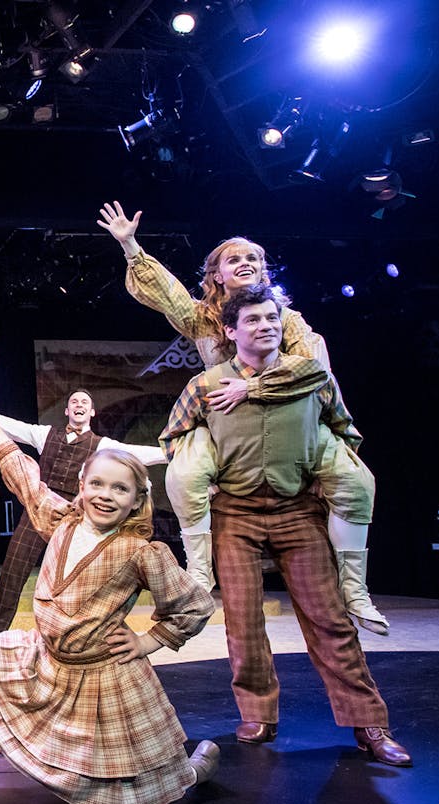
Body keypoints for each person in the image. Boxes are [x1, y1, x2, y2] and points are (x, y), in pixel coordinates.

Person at [0, 373, 219, 804]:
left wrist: (148, 640)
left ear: (137, 500)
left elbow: (194, 605)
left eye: (120, 489)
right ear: (81, 485)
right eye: (97, 484)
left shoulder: (140, 551)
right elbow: (19, 469)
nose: (105, 495)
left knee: (133, 798)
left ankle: (195, 769)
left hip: (102, 678)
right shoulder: (60, 518)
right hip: (46, 661)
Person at [98, 202, 385, 634]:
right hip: (227, 424)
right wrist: (130, 244)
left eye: (254, 258)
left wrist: (252, 387)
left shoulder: (286, 319)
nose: (246, 263)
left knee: (357, 481)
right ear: (217, 275)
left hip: (292, 419)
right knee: (184, 472)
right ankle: (198, 573)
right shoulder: (205, 319)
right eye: (235, 259)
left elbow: (313, 371)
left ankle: (355, 587)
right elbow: (169, 294)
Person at [161, 285, 412, 767]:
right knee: (242, 620)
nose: (265, 326)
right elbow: (174, 434)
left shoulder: (312, 377)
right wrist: (203, 479)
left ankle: (370, 723)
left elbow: (345, 430)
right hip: (236, 511)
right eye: (252, 320)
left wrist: (328, 478)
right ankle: (257, 712)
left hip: (298, 509)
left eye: (271, 318)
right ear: (231, 332)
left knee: (330, 618)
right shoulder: (206, 384)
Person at [0, 387, 167, 633]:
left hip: (73, 518)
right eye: (74, 401)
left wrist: (175, 453)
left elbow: (138, 453)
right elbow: (12, 427)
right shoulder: (46, 434)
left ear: (91, 412)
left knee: (74, 578)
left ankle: (68, 635)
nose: (79, 405)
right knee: (12, 575)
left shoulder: (101, 444)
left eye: (84, 402)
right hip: (37, 509)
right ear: (67, 410)